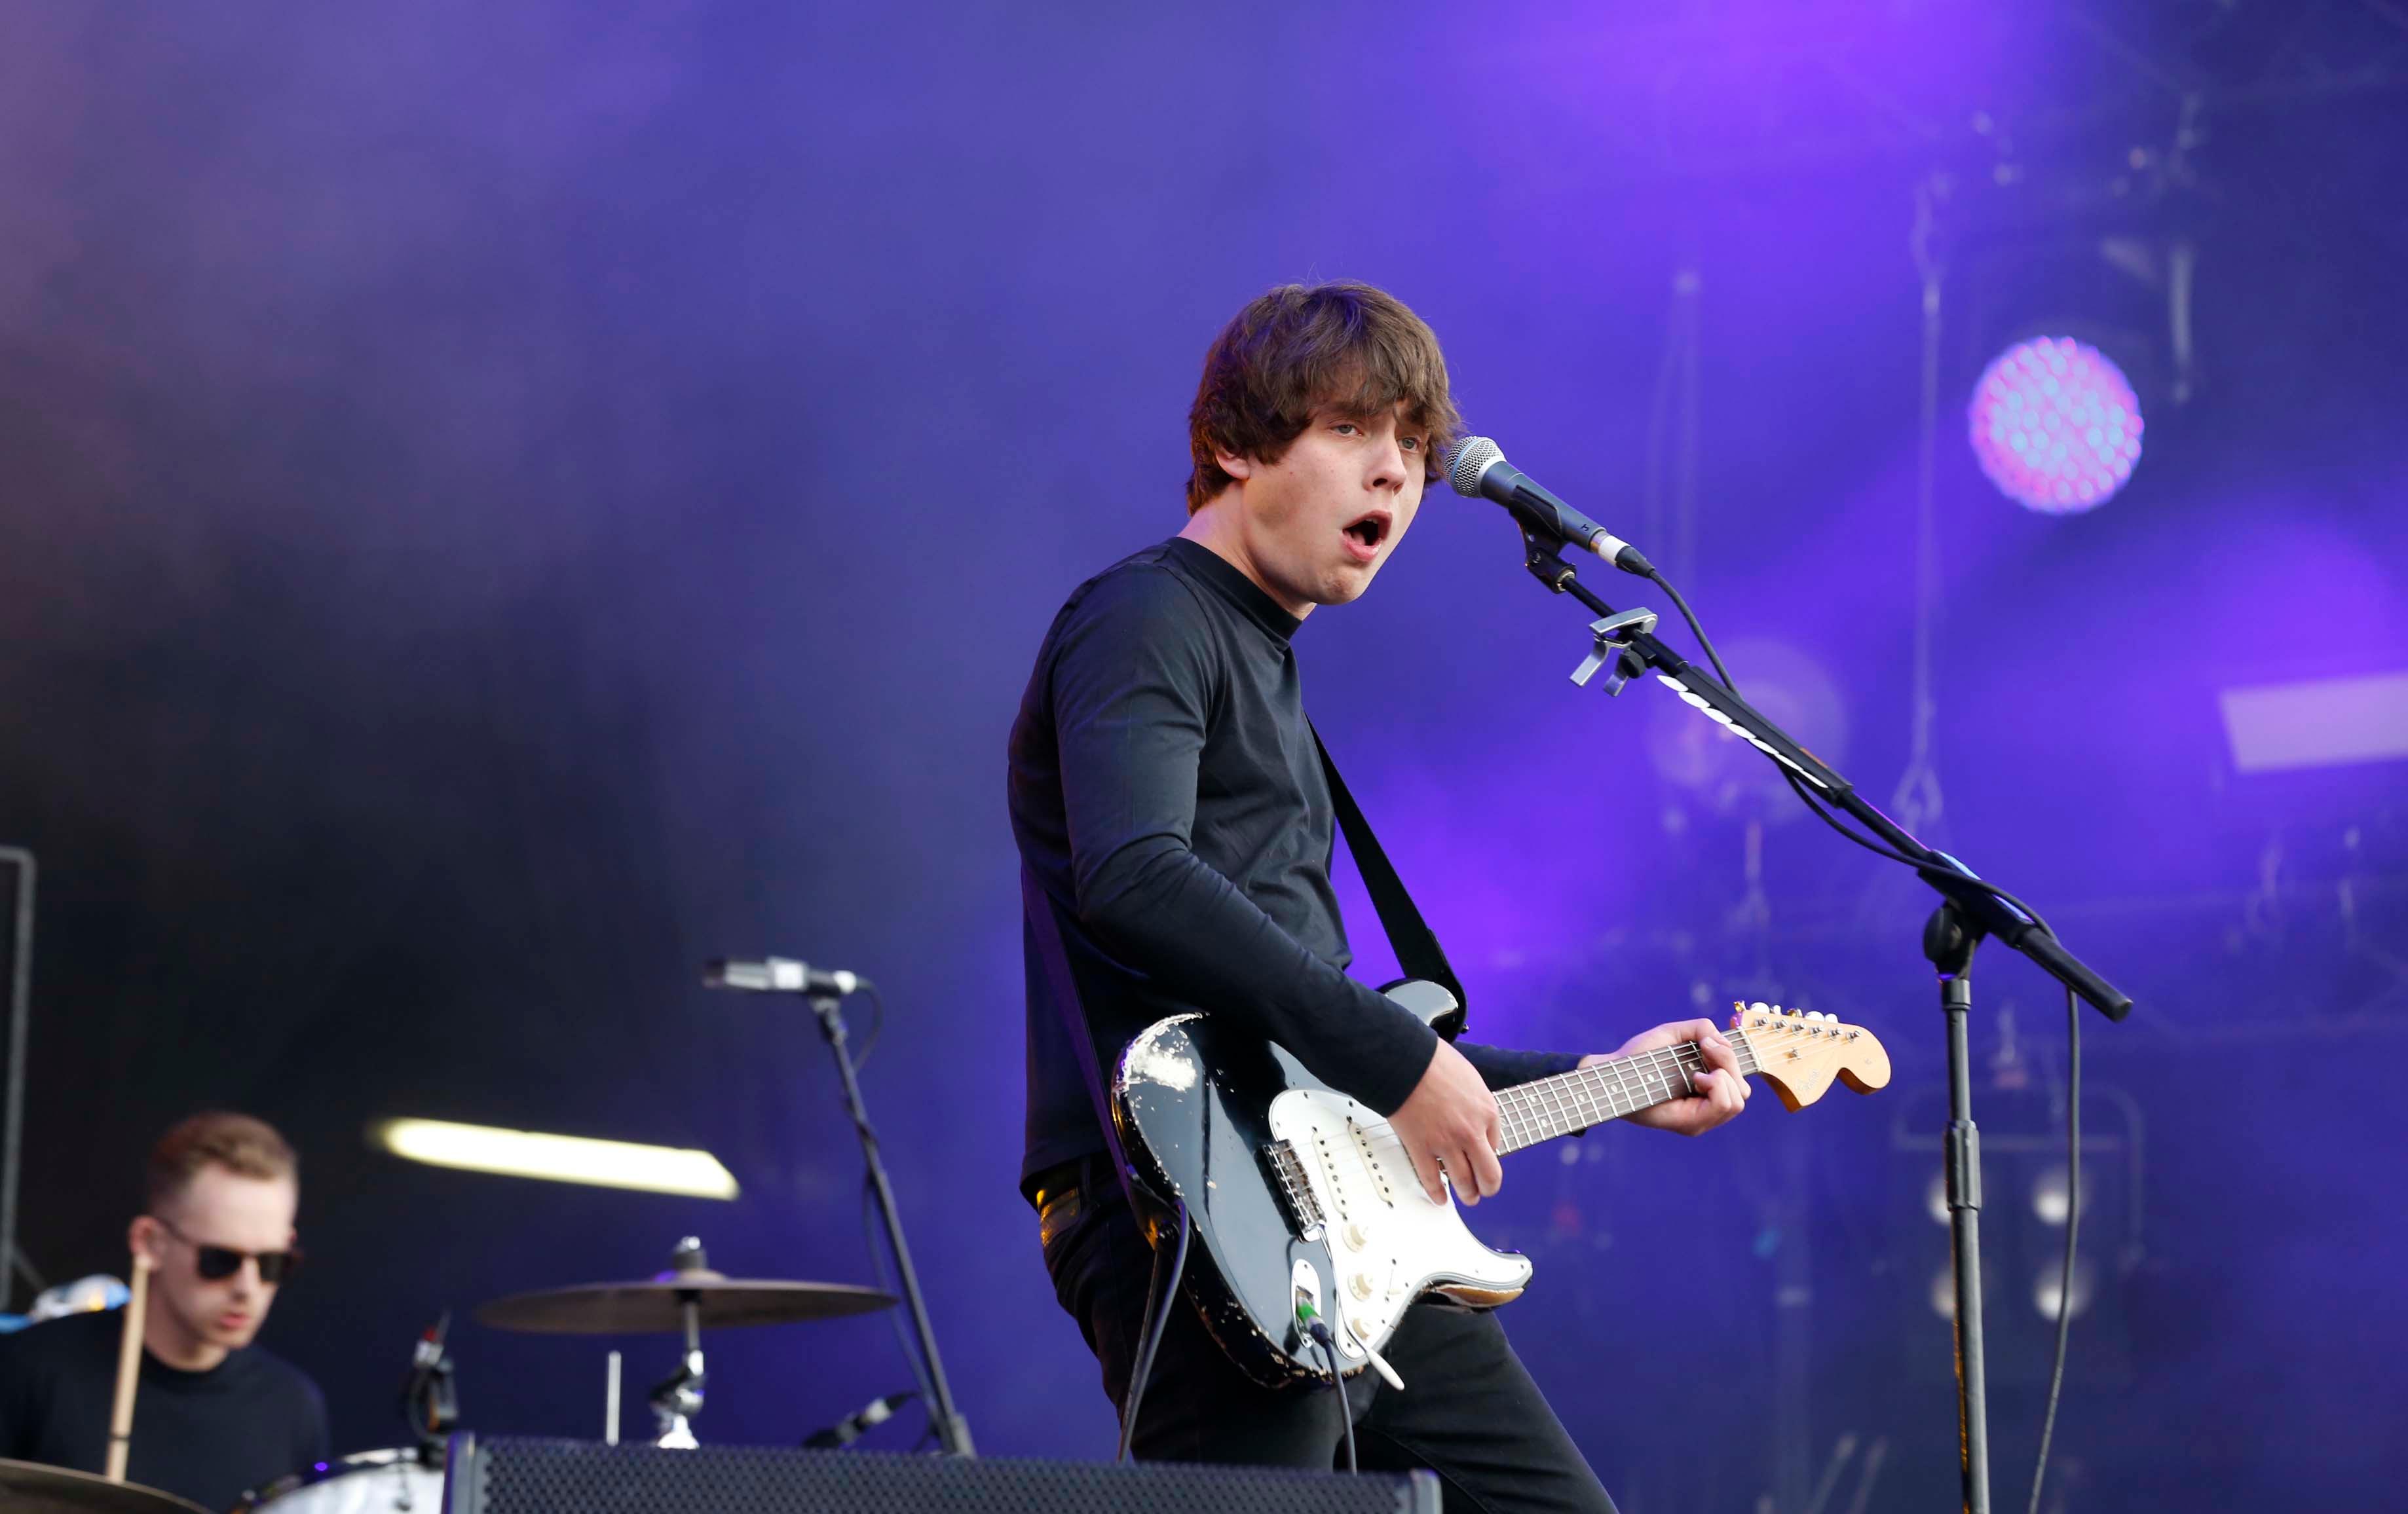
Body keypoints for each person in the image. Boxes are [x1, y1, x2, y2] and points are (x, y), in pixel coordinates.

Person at [1009, 282, 1752, 1511]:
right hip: (1195, 1208)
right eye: (1356, 431)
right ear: (1236, 445)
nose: (1396, 477)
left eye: (1412, 445)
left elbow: (1321, 1044)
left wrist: (1611, 1079)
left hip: (1335, 1217)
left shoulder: (1267, 663)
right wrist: (1401, 1063)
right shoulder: (1147, 616)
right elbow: (1134, 874)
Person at [0, 1111, 329, 1511]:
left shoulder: (293, 1407)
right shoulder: (29, 1370)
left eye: (273, 1263)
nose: (248, 1288)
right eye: (220, 1260)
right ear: (150, 1242)